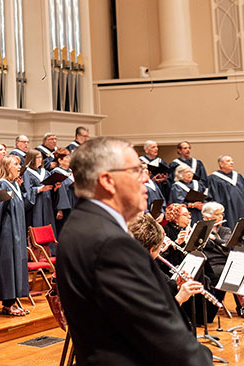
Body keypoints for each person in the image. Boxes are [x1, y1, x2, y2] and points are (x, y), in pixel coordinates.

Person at [56, 136, 213, 365]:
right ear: (108, 181)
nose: (146, 179)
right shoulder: (110, 243)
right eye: (137, 170)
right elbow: (162, 336)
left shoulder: (81, 226)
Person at [127, 214, 204, 311]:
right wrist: (179, 299)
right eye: (160, 246)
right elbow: (154, 317)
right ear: (151, 250)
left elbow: (165, 284)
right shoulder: (141, 275)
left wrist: (177, 287)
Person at [0, 156, 31, 316]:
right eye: (16, 165)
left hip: (17, 232)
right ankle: (8, 304)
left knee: (16, 265)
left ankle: (13, 301)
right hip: (7, 233)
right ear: (7, 167)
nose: (19, 168)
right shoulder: (2, 184)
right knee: (8, 267)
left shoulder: (14, 185)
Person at [207, 155, 244, 229]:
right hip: (227, 210)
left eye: (232, 161)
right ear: (221, 164)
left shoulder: (238, 176)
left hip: (241, 209)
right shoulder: (213, 178)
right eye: (228, 161)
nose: (231, 163)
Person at [23, 150, 57, 232]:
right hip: (35, 207)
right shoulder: (26, 173)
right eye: (37, 158)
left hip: (47, 205)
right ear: (31, 159)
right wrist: (39, 189)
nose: (40, 160)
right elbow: (26, 191)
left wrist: (55, 188)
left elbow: (53, 193)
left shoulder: (45, 172)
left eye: (41, 157)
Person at [52, 148, 75, 231]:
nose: (70, 159)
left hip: (74, 202)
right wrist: (60, 209)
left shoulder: (70, 172)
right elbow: (59, 192)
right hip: (66, 207)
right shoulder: (56, 173)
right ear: (60, 160)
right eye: (67, 157)